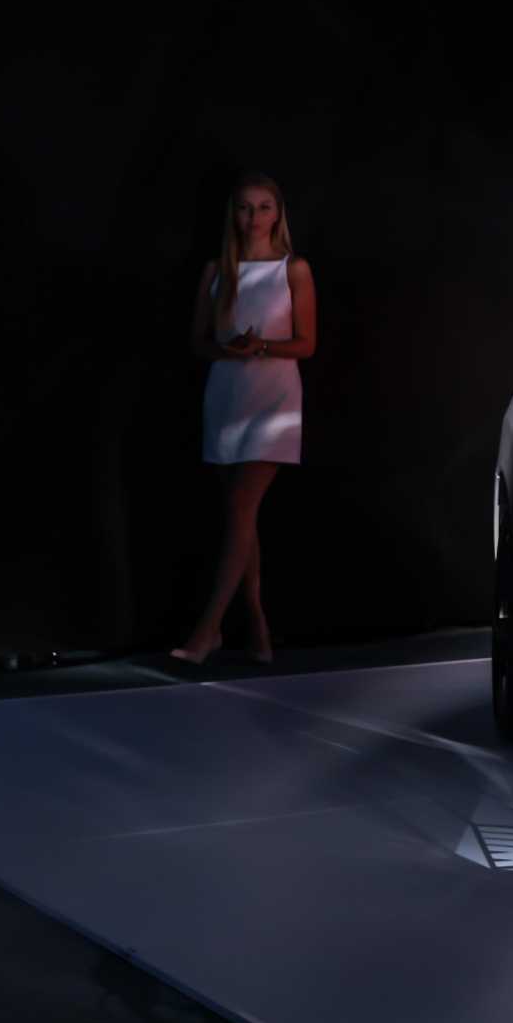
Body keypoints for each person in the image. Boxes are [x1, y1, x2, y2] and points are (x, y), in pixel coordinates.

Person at [173, 173, 315, 665]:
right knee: (241, 518)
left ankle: (208, 630)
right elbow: (197, 342)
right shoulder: (217, 269)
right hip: (226, 396)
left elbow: (307, 343)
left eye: (263, 207)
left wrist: (261, 346)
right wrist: (229, 349)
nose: (254, 217)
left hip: (274, 400)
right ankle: (258, 627)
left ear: (278, 214)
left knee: (240, 509)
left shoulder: (293, 269)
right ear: (233, 214)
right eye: (244, 207)